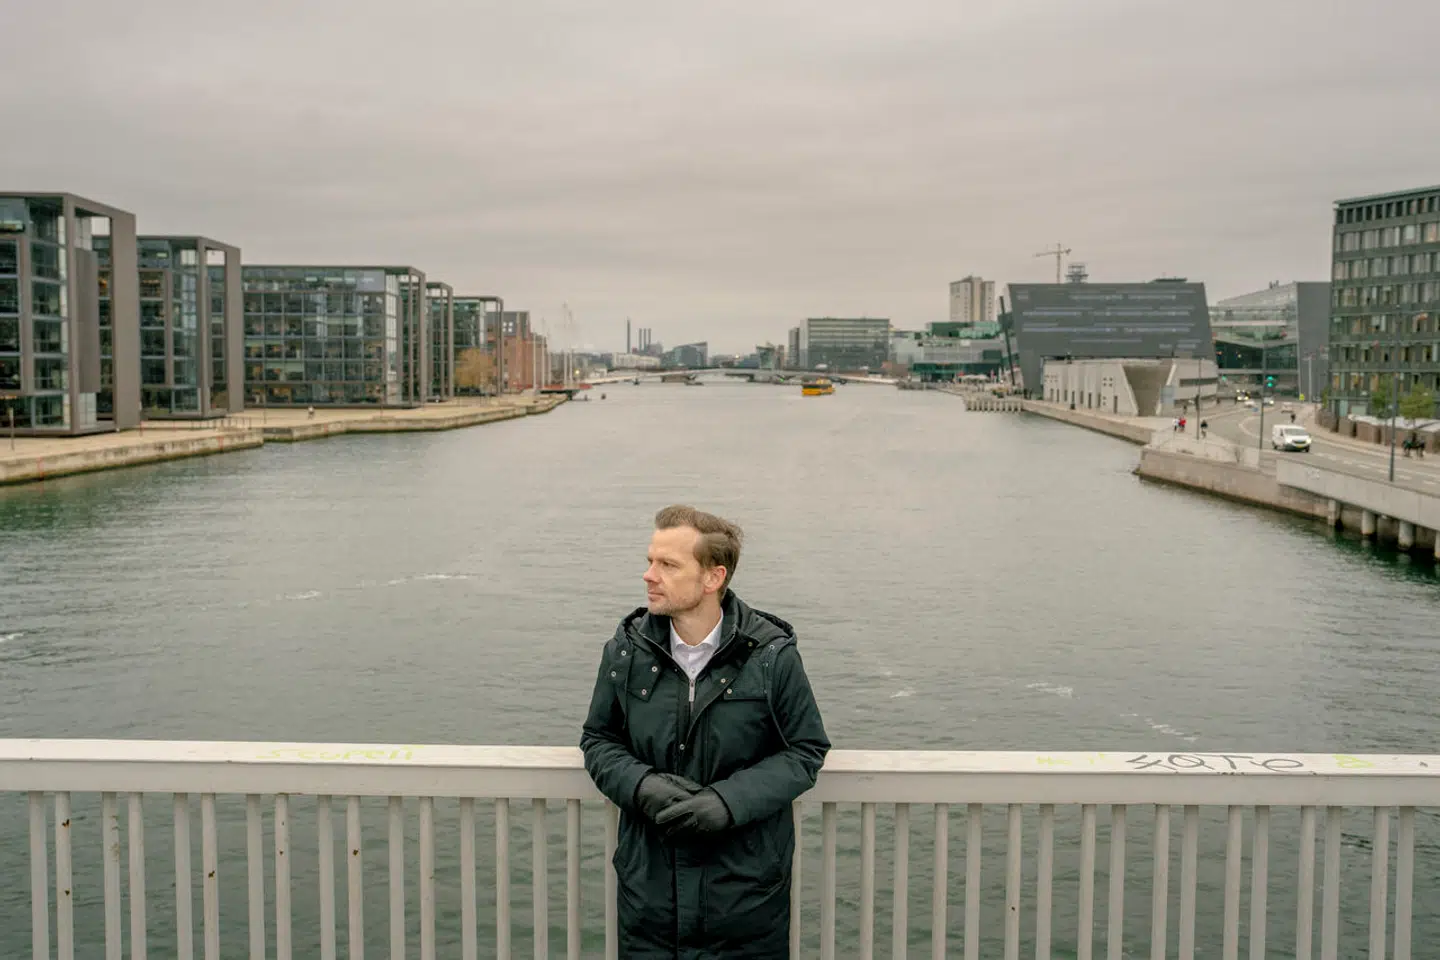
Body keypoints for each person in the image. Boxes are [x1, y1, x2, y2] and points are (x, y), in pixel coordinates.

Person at [581, 505, 830, 958]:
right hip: (650, 900)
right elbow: (598, 741)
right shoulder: (624, 651)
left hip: (745, 902)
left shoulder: (772, 657)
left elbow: (806, 750)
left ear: (714, 577)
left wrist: (727, 802)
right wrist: (642, 786)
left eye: (667, 565)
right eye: (650, 560)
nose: (648, 575)